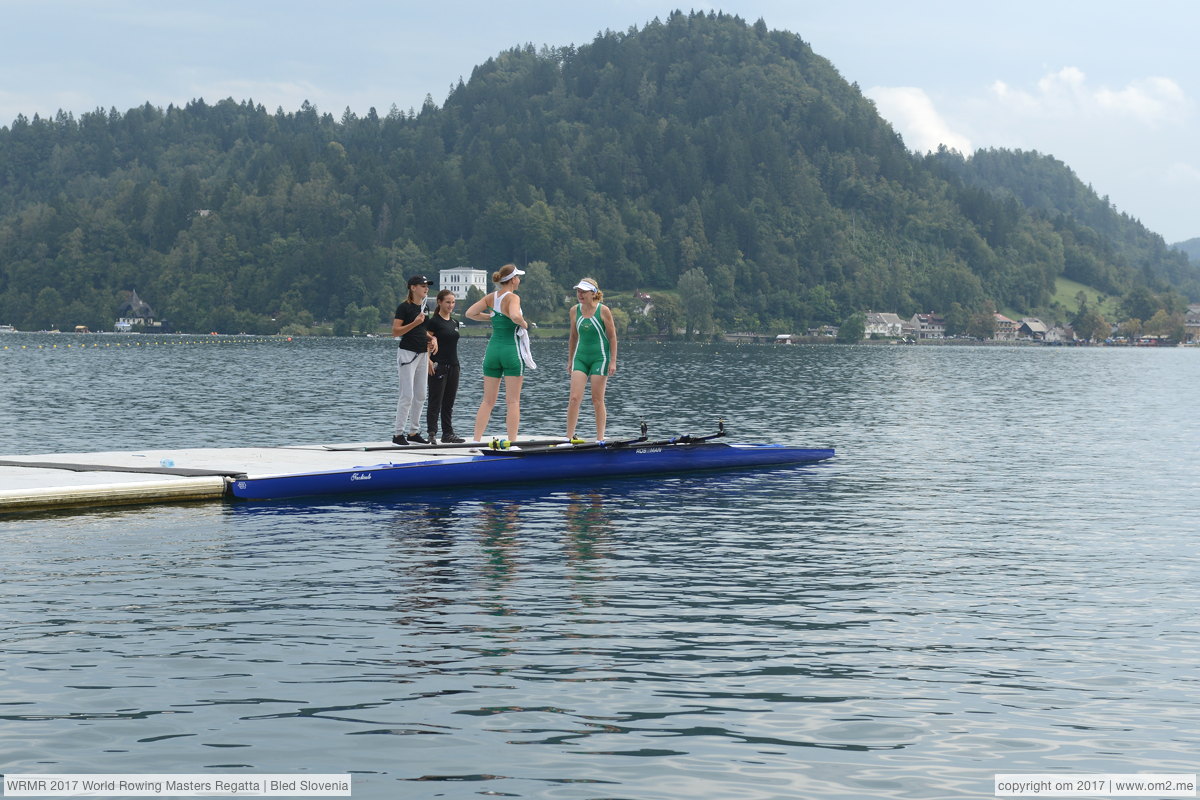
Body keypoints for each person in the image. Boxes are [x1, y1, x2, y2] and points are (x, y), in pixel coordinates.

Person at [466, 263, 529, 443]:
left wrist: (492, 316)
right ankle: (512, 442)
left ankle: (476, 440)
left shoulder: (491, 297)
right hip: (511, 351)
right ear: (512, 280)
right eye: (518, 277)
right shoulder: (513, 298)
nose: (519, 280)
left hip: (492, 351)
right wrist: (525, 324)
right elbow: (516, 317)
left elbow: (470, 313)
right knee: (513, 402)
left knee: (487, 401)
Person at [565, 277, 617, 442]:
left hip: (599, 359)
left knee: (597, 400)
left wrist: (613, 361)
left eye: (583, 291)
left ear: (593, 293)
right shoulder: (574, 310)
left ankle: (600, 438)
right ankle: (568, 438)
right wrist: (570, 360)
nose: (580, 294)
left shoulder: (603, 311)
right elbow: (573, 337)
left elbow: (613, 338)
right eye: (578, 291)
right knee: (574, 398)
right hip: (580, 358)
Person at [392, 275, 437, 445]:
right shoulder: (404, 307)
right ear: (413, 288)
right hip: (407, 354)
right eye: (423, 286)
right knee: (407, 395)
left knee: (420, 395)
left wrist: (431, 339)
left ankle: (413, 432)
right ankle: (397, 434)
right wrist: (415, 322)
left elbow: (420, 330)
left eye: (427, 286)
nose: (426, 288)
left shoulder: (424, 308)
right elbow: (396, 331)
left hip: (422, 354)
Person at [425, 289, 465, 444]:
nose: (451, 305)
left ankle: (447, 433)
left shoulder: (454, 323)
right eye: (448, 302)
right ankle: (432, 433)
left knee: (449, 402)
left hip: (454, 365)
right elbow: (426, 342)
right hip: (438, 365)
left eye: (453, 302)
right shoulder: (433, 321)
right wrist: (427, 360)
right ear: (440, 302)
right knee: (435, 400)